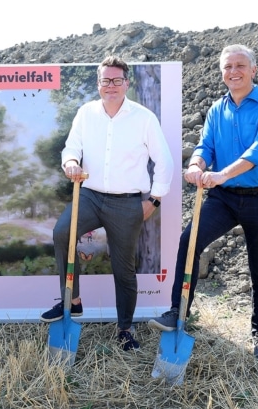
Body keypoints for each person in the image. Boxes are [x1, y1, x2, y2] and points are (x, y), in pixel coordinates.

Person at [147, 44, 258, 360]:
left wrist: (222, 174)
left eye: (239, 66)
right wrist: (197, 164)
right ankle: (177, 312)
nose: (233, 72)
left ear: (253, 70)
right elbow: (205, 146)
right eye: (227, 67)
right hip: (223, 199)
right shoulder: (215, 110)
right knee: (188, 242)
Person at [40, 55, 174, 351]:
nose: (111, 85)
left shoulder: (143, 118)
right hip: (89, 195)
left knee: (123, 268)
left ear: (126, 83)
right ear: (98, 83)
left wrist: (154, 199)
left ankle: (125, 329)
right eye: (105, 80)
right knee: (62, 233)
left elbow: (164, 161)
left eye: (117, 80)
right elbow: (71, 147)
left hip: (127, 203)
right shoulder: (86, 113)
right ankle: (72, 301)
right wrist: (71, 162)